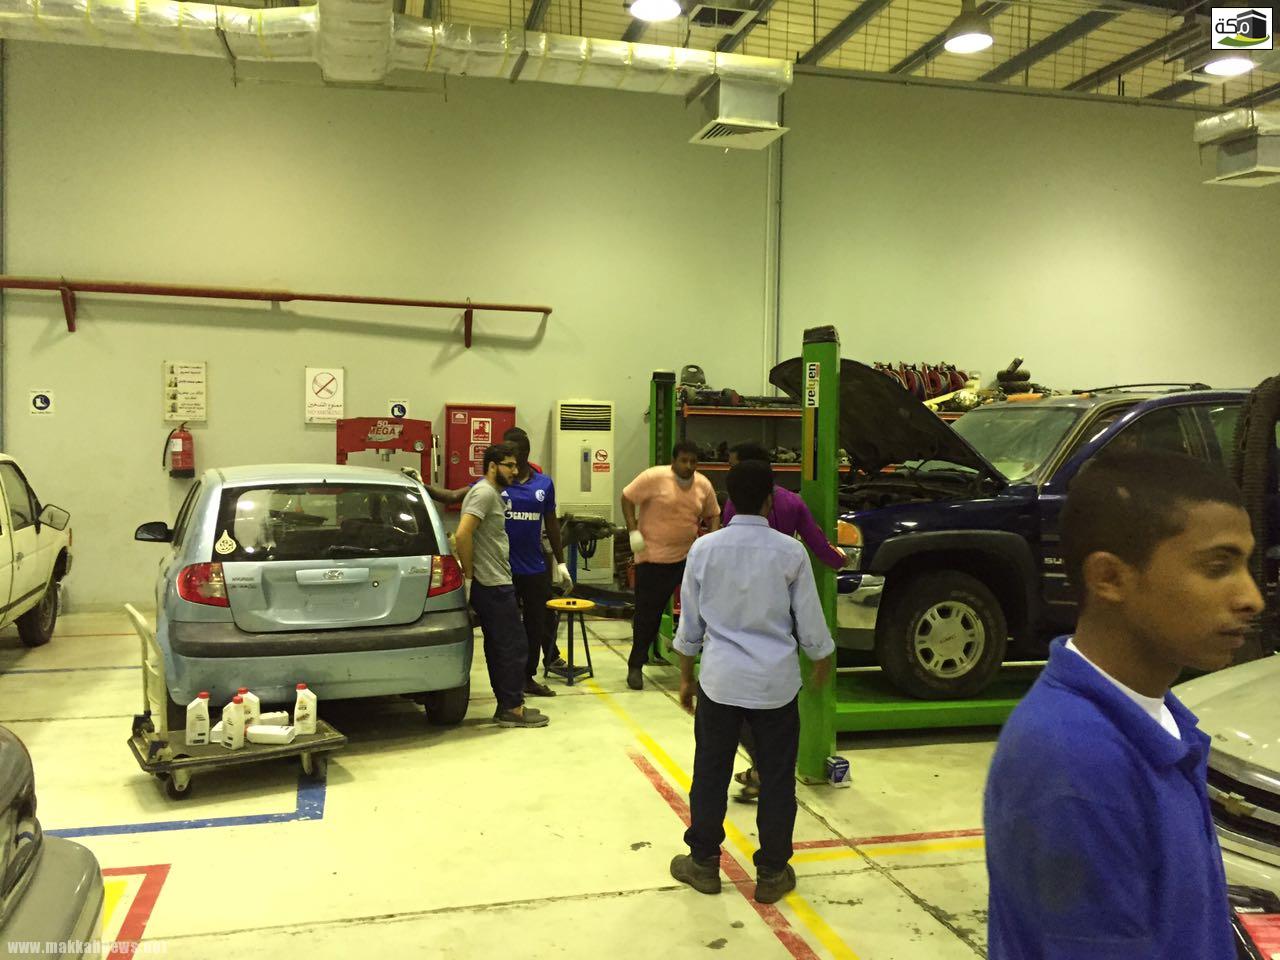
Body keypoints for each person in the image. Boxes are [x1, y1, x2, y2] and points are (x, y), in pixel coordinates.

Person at [984, 450, 1263, 959]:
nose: (1251, 597)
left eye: (1246, 564)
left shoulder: (1160, 718)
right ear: (1110, 578)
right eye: (1217, 567)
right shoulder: (1076, 761)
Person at [667, 459, 835, 905]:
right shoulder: (790, 552)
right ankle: (773, 873)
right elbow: (810, 622)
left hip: (720, 683)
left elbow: (690, 624)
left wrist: (685, 677)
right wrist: (820, 659)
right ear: (769, 500)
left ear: (728, 500)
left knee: (710, 773)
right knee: (777, 779)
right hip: (774, 687)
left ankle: (703, 864)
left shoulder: (704, 550)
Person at [722, 441, 846, 802]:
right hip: (780, 614)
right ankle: (766, 770)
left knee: (735, 704)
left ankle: (761, 769)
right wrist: (843, 560)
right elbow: (819, 545)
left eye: (734, 466)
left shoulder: (734, 506)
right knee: (775, 704)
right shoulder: (794, 503)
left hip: (742, 613)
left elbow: (730, 556)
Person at [425, 427, 570, 693]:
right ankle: (509, 687)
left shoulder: (543, 484)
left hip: (534, 568)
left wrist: (560, 563)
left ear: (526, 453)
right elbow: (452, 497)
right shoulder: (493, 486)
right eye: (508, 455)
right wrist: (421, 486)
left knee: (535, 626)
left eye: (516, 453)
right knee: (506, 634)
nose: (513, 459)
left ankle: (527, 678)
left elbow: (551, 524)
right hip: (501, 572)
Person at [454, 443, 550, 729]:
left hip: (495, 581)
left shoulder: (492, 494)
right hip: (492, 584)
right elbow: (462, 535)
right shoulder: (484, 493)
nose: (515, 471)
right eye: (509, 465)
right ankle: (512, 709)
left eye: (516, 465)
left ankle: (508, 705)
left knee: (500, 646)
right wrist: (469, 576)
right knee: (512, 646)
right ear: (493, 466)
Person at [620, 440, 721, 690]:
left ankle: (703, 668)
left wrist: (712, 541)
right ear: (673, 461)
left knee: (699, 613)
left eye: (693, 461)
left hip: (688, 559)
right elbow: (627, 497)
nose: (688, 466)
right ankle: (636, 665)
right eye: (683, 460)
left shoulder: (703, 485)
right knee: (648, 616)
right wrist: (633, 530)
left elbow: (714, 513)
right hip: (652, 559)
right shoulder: (653, 477)